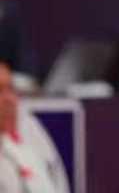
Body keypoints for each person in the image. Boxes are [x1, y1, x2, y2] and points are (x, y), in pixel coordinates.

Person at [0, 62, 70, 193]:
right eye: (0, 91)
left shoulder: (29, 127)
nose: (9, 99)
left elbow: (59, 182)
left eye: (11, 89)